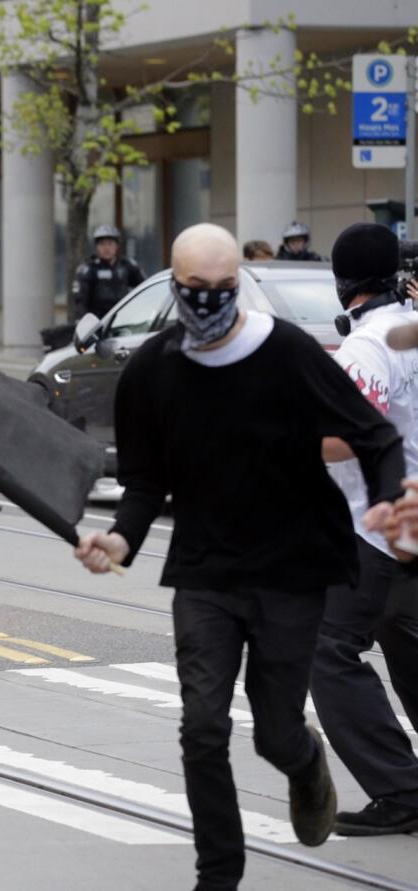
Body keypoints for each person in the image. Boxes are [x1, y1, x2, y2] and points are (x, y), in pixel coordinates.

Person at [73, 222, 405, 890]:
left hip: (291, 570)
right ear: (174, 285)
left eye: (224, 288)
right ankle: (217, 875)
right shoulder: (151, 370)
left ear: (238, 285)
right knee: (201, 727)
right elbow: (143, 482)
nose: (209, 301)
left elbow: (373, 435)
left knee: (275, 732)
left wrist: (390, 499)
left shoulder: (285, 351)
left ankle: (305, 759)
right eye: (195, 289)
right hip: (205, 572)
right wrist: (119, 540)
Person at [310, 222, 418, 837]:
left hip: (374, 527)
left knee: (328, 649)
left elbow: (348, 436)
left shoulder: (371, 345)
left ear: (342, 279)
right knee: (403, 640)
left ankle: (402, 791)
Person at [71, 224, 145, 321]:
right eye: (102, 244)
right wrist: (83, 322)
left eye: (110, 243)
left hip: (123, 320)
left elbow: (143, 288)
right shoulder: (88, 269)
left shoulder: (127, 266)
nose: (106, 248)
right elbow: (80, 301)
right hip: (98, 322)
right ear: (96, 247)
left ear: (117, 246)